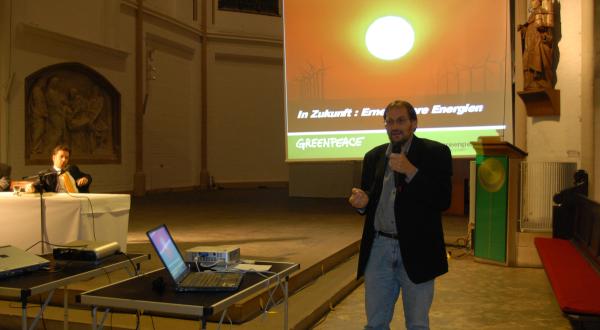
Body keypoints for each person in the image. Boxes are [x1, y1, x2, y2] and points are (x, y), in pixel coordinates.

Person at [348, 100, 452, 330]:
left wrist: (411, 171)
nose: (394, 126)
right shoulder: (373, 156)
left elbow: (442, 200)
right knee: (375, 324)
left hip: (418, 249)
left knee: (417, 324)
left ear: (414, 123)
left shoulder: (436, 153)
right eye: (390, 121)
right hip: (379, 248)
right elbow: (369, 198)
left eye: (401, 120)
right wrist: (362, 204)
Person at [518, 0, 554, 90]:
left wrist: (546, 38)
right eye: (531, 1)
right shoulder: (531, 16)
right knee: (526, 62)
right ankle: (530, 83)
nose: (532, 3)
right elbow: (529, 28)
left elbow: (548, 32)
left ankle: (540, 82)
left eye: (534, 0)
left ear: (539, 2)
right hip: (529, 44)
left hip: (538, 43)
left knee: (538, 61)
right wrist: (523, 28)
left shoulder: (543, 12)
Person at [27, 145, 92, 193]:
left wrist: (85, 179)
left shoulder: (72, 169)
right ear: (54, 158)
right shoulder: (47, 174)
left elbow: (88, 177)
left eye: (66, 158)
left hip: (78, 201)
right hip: (60, 204)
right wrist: (32, 187)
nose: (64, 160)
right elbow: (38, 185)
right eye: (61, 157)